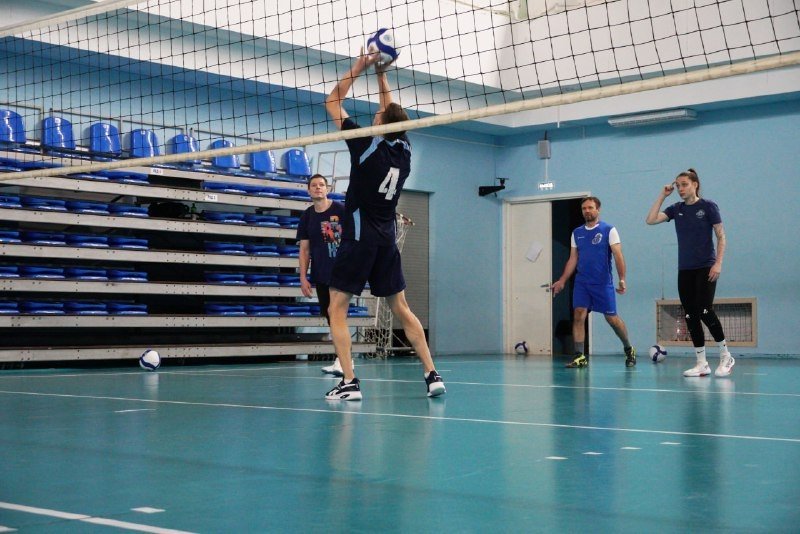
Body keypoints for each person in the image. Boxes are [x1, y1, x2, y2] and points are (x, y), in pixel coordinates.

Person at [322, 48, 445, 400]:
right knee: (401, 307)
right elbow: (390, 110)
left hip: (360, 238)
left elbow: (332, 101)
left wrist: (361, 66)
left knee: (336, 308)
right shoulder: (405, 151)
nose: (376, 112)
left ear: (380, 124)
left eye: (378, 114)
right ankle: (432, 374)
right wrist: (382, 74)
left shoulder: (365, 144)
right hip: (387, 240)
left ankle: (349, 381)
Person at [646, 168, 733, 377]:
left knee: (705, 310)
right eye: (677, 185)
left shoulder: (708, 206)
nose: (680, 189)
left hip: (706, 267)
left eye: (684, 184)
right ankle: (702, 363)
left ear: (695, 184)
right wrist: (662, 195)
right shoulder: (676, 209)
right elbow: (650, 220)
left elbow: (721, 236)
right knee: (690, 315)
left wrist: (718, 263)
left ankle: (726, 356)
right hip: (685, 269)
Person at [551, 196, 636, 368]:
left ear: (598, 209)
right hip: (582, 283)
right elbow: (573, 259)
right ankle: (579, 356)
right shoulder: (577, 233)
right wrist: (562, 280)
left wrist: (622, 279)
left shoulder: (609, 230)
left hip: (602, 283)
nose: (587, 211)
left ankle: (628, 348)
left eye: (590, 207)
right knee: (579, 314)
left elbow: (618, 255)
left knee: (612, 319)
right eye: (584, 208)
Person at [296, 173, 350, 377]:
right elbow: (304, 250)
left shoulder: (340, 210)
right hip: (321, 273)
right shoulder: (307, 216)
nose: (318, 187)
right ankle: (342, 359)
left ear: (327, 189)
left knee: (336, 314)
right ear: (309, 190)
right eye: (314, 185)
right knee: (330, 316)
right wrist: (303, 277)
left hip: (341, 272)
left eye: (321, 184)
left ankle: (344, 362)